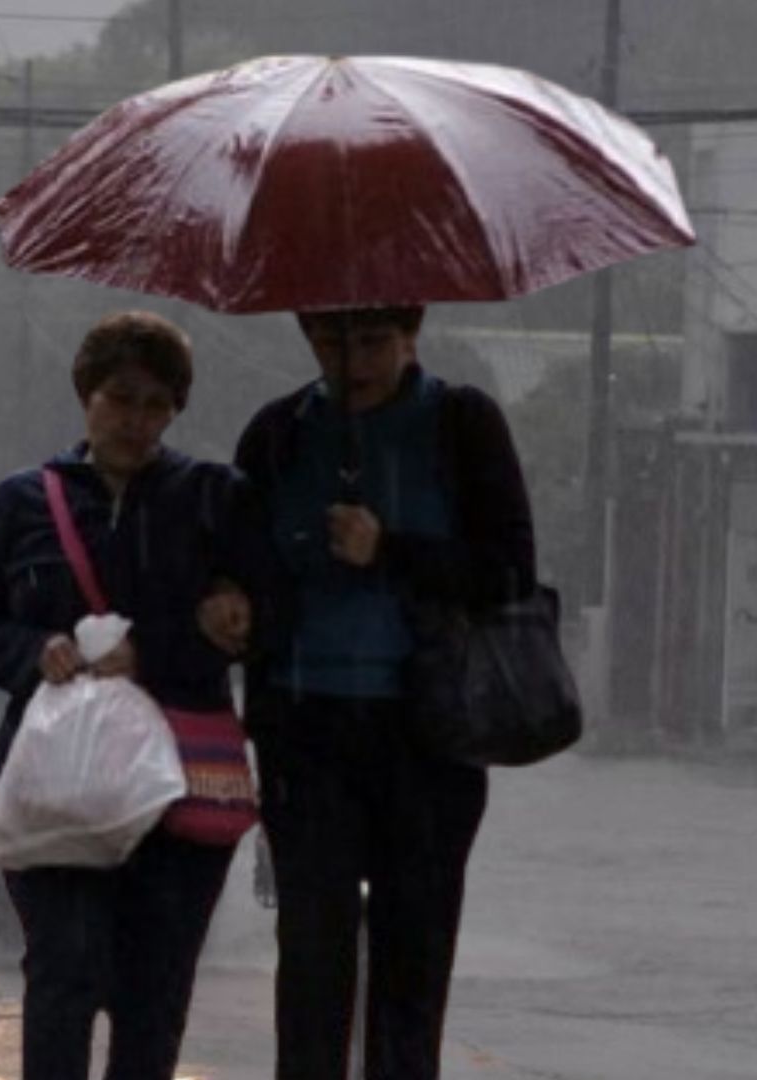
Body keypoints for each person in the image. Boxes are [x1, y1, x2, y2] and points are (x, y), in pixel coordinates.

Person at [222, 305, 536, 1080]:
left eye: (372, 343)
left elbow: (508, 574)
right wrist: (231, 604)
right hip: (306, 737)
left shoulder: (462, 425)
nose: (352, 363)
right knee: (311, 967)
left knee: (412, 972)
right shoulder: (276, 435)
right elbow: (236, 560)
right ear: (306, 335)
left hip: (429, 737)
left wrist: (389, 549)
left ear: (410, 334)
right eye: (332, 341)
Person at [0, 310, 261, 1080]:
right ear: (86, 395)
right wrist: (35, 652)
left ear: (176, 411)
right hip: (56, 785)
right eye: (120, 398)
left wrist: (152, 650)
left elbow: (255, 625)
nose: (135, 420)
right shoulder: (20, 503)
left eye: (156, 405)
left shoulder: (214, 500)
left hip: (176, 785)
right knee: (64, 967)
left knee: (155, 987)